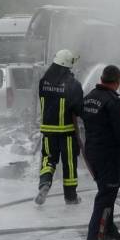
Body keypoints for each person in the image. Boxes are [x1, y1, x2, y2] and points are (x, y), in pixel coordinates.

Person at [81, 65, 120, 240]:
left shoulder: (90, 98)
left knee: (107, 191)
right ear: (117, 82)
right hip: (108, 154)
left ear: (101, 78)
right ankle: (96, 236)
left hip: (92, 152)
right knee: (107, 194)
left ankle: (109, 228)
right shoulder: (113, 103)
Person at [35, 49, 84, 205]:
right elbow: (78, 109)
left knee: (48, 160)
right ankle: (70, 197)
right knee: (69, 163)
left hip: (48, 131)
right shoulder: (73, 84)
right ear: (67, 66)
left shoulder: (43, 82)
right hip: (67, 132)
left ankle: (45, 184)